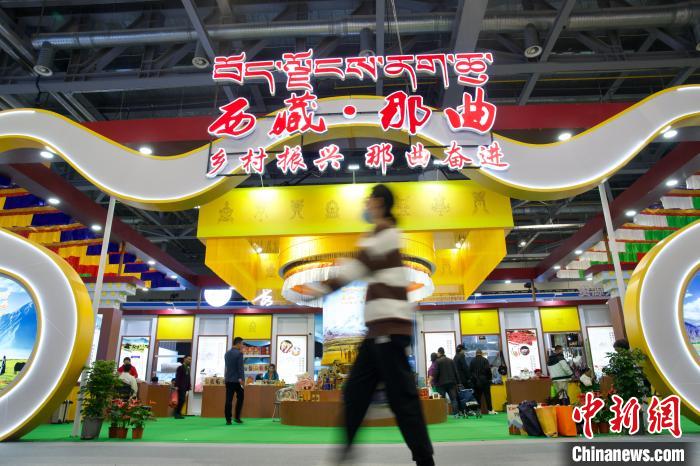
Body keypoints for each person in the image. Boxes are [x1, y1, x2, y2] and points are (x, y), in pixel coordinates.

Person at [303, 184, 434, 466]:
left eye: (368, 200)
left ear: (378, 202)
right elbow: (361, 267)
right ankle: (344, 454)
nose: (365, 205)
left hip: (389, 331)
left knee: (402, 400)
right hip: (378, 332)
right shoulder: (382, 235)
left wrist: (322, 287)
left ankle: (425, 459)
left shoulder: (385, 234)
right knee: (355, 393)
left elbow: (356, 268)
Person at [224, 337, 245, 424]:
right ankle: (237, 417)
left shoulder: (227, 353)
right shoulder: (239, 354)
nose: (243, 346)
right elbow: (240, 368)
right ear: (238, 343)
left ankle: (228, 419)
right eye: (242, 344)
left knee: (228, 400)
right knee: (241, 397)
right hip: (237, 380)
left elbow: (228, 367)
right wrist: (242, 379)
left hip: (228, 379)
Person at [434, 347, 460, 418]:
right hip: (451, 383)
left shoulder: (438, 361)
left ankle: (443, 415)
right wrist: (458, 382)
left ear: (439, 353)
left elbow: (436, 373)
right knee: (453, 399)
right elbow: (456, 372)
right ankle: (456, 414)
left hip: (441, 384)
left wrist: (435, 382)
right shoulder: (451, 360)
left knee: (442, 400)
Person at [470, 349, 496, 415]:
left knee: (477, 397)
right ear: (481, 353)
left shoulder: (472, 361)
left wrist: (473, 380)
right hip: (485, 381)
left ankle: (478, 410)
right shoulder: (485, 360)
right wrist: (489, 379)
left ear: (476, 353)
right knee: (487, 396)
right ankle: (490, 410)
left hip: (476, 381)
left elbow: (470, 372)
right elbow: (488, 370)